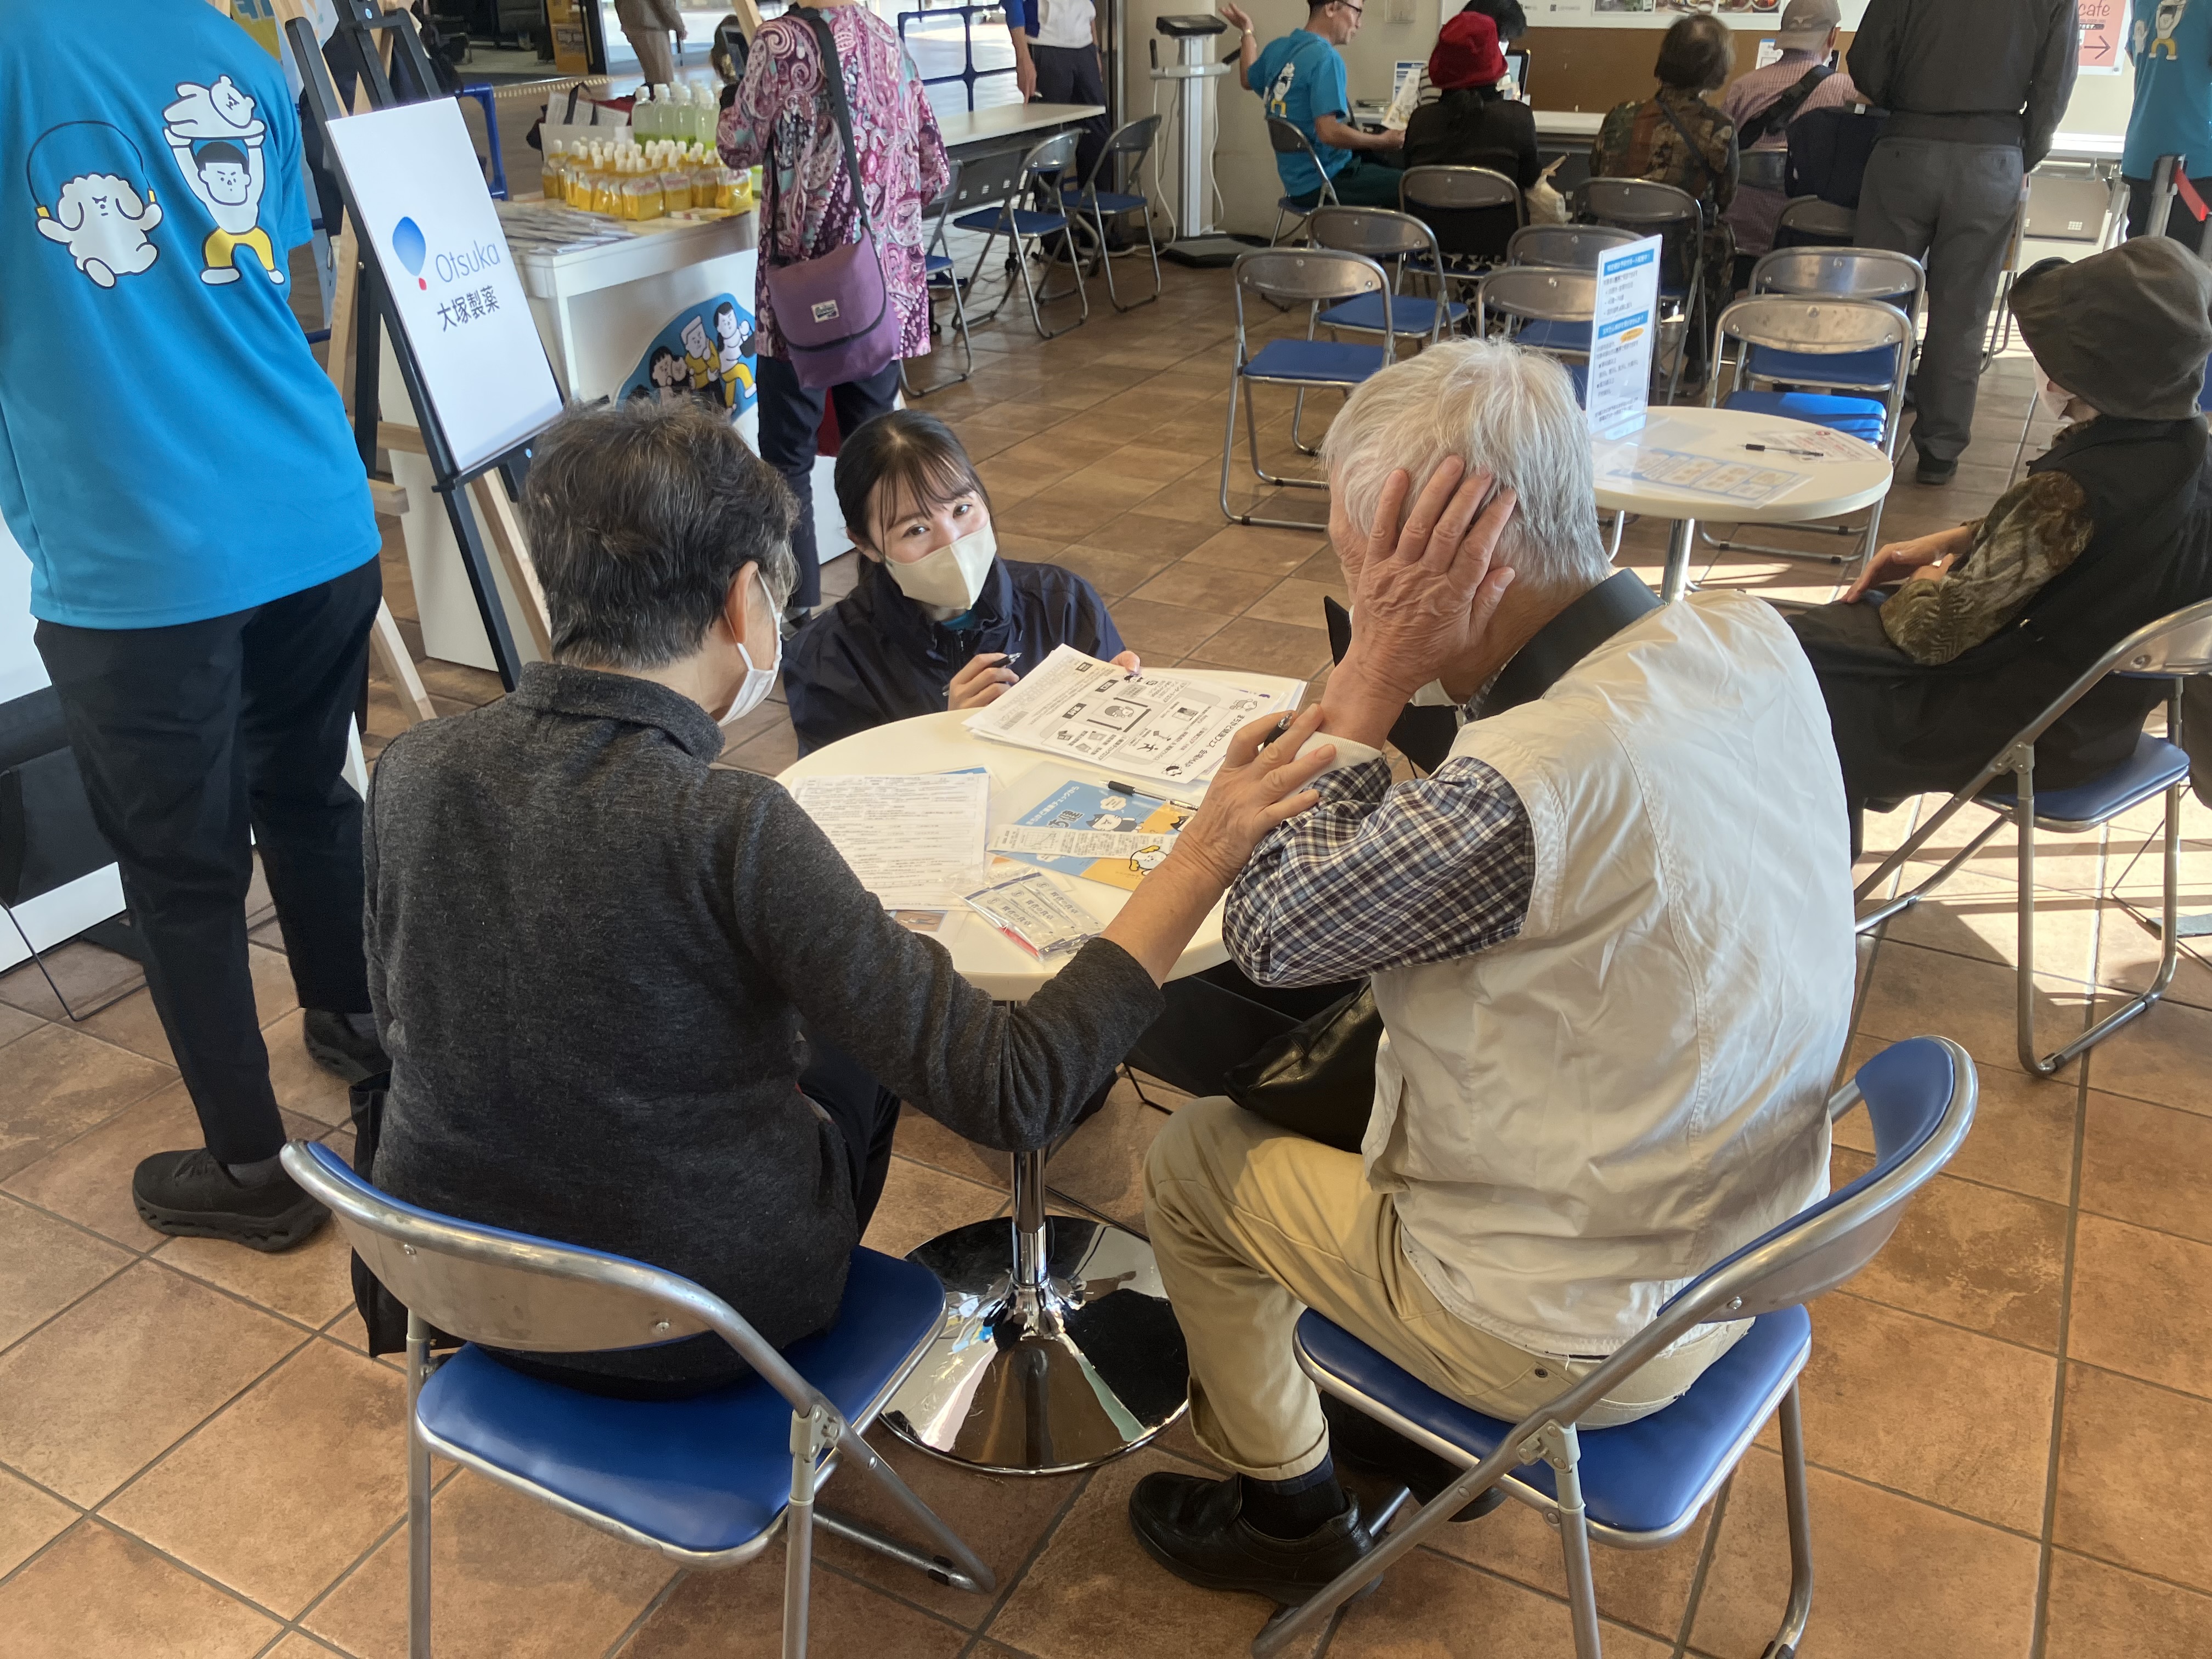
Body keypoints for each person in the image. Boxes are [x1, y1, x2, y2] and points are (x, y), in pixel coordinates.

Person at [360, 400, 1336, 1396]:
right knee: (853, 1036)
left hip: (454, 1284)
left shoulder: (414, 765)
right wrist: (1204, 849)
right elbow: (1016, 1088)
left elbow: (405, 1019)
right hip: (705, 1316)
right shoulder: (733, 822)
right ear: (746, 600)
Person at [1125, 340, 1856, 1602]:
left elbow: (1274, 932)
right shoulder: (1747, 636)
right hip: (1752, 1237)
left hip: (1584, 1327)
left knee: (1194, 1161)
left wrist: (1368, 679)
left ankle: (1286, 1513)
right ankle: (1361, 1397)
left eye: (1371, 569)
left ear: (1472, 560)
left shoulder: (1530, 790)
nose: (1357, 593)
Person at [2, 0, 387, 1251]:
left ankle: (252, 1172)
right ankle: (363, 1035)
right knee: (308, 792)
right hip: (315, 510)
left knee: (183, 873)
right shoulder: (231, 45)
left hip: (143, 553)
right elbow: (253, 269)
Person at [1787, 238, 2212, 848]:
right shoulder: (2188, 452)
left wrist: (1930, 579)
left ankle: (1811, 878)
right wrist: (1963, 536)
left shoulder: (2073, 489)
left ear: (2090, 370)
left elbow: (1931, 635)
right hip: (2098, 724)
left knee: (1786, 677)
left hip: (2023, 733)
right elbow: (2094, 541)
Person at [720, 0, 949, 631]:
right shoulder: (885, 41)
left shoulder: (780, 43)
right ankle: (887, 607)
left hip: (805, 294)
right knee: (876, 446)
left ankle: (798, 616)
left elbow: (736, 145)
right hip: (875, 291)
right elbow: (935, 168)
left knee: (787, 456)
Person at [783, 410, 1138, 754]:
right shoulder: (829, 660)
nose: (951, 541)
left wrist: (1130, 702)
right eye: (916, 530)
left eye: (961, 510)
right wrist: (945, 740)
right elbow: (838, 803)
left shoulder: (1061, 603)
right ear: (865, 544)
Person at [1849, 0, 2079, 485]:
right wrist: (2021, 152)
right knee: (1963, 313)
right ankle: (1939, 451)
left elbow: (1867, 62)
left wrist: (1904, 100)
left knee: (1879, 303)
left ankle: (1857, 435)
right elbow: (2054, 86)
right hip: (1993, 157)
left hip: (1905, 147)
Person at [1592, 14, 1739, 390]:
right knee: (1720, 239)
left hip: (1614, 253)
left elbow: (1596, 177)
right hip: (1676, 263)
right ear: (1716, 70)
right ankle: (1698, 360)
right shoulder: (1718, 128)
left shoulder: (1619, 116)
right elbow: (1725, 198)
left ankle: (1626, 352)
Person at [1719, 0, 1861, 284]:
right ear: (1833, 36)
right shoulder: (1847, 91)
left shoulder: (1741, 88)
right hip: (1806, 249)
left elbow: (1723, 158)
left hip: (1740, 245)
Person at [1220, 0, 1407, 211]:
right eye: (1357, 12)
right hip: (1327, 179)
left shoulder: (1279, 48)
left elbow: (1247, 78)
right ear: (1332, 7)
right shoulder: (1326, 58)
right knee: (1414, 186)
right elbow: (1328, 133)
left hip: (1296, 182)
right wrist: (1382, 141)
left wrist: (1247, 31)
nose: (1359, 24)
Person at [1402, 9, 1540, 185]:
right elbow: (1531, 185)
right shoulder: (1519, 119)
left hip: (1429, 213)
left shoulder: (1420, 122)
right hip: (1497, 213)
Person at [2121, 0, 2212, 254]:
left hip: (2145, 151)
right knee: (2187, 276)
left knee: (2141, 269)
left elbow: (2137, 56)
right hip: (2197, 161)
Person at [1007, 0, 1109, 188]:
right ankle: (1050, 214)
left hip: (1084, 47)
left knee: (1097, 140)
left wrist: (1094, 46)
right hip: (1045, 45)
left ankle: (1094, 216)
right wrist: (1023, 59)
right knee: (1050, 143)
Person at [614, 0, 685, 88]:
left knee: (653, 77)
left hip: (633, 20)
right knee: (663, 80)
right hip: (650, 23)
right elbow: (665, 3)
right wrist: (679, 25)